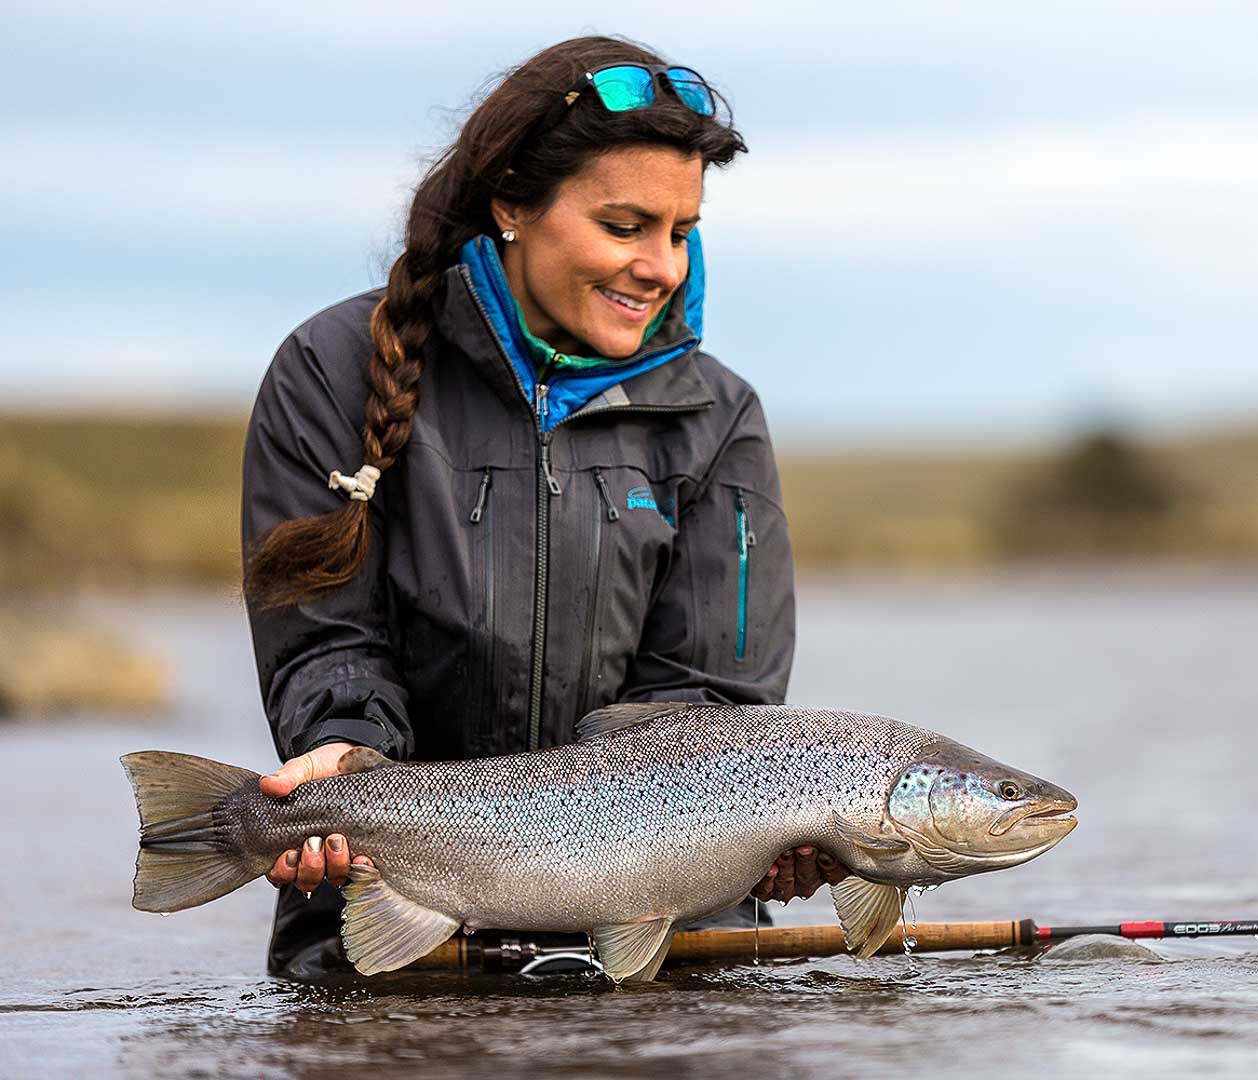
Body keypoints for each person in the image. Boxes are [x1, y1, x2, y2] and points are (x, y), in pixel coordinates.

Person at [240, 35, 846, 976]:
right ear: (513, 201)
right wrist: (341, 754)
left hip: (668, 960)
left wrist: (769, 833)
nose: (663, 267)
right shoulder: (330, 372)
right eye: (625, 226)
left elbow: (714, 706)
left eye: (681, 231)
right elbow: (326, 646)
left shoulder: (720, 418)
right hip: (390, 941)